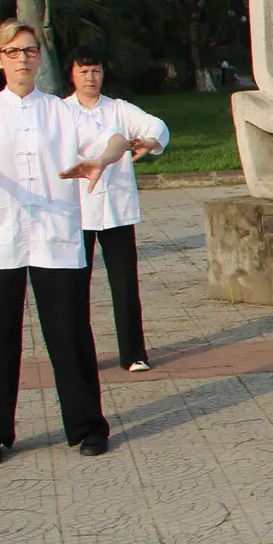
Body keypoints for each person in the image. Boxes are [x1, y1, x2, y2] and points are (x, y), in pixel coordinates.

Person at [0, 21, 133, 465]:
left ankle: (87, 425)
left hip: (56, 237)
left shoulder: (62, 111)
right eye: (12, 52)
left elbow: (113, 138)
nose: (22, 60)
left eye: (30, 51)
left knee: (70, 335)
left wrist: (100, 161)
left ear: (40, 57)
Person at [65, 49, 170, 372]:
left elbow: (155, 125)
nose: (90, 78)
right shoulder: (60, 111)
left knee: (125, 284)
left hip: (117, 210)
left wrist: (149, 141)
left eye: (95, 71)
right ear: (72, 74)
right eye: (83, 71)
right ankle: (79, 357)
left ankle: (134, 353)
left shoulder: (118, 109)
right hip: (76, 210)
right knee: (73, 287)